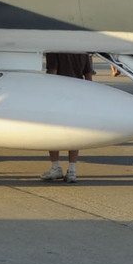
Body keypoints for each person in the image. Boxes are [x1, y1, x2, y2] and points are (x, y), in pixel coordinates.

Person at [40, 52, 93, 181]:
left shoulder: (54, 49)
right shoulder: (82, 51)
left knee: (53, 131)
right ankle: (72, 170)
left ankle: (56, 167)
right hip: (78, 94)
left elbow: (53, 71)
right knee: (75, 132)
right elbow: (88, 75)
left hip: (59, 95)